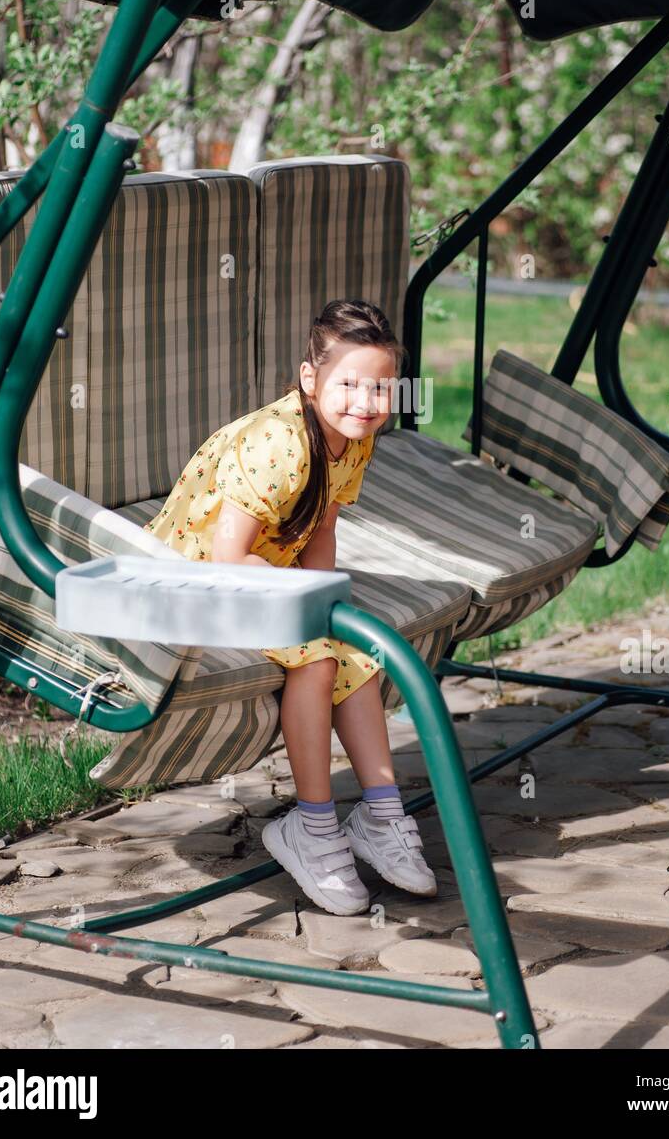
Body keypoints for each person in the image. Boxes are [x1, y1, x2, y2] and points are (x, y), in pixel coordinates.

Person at [142, 299, 437, 916]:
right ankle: (313, 824)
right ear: (310, 380)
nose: (366, 399)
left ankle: (381, 815)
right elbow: (226, 557)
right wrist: (309, 610)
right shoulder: (278, 443)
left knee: (362, 652)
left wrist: (324, 599)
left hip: (262, 574)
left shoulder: (353, 438)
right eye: (349, 383)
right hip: (193, 581)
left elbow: (322, 523)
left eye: (381, 387)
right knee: (317, 660)